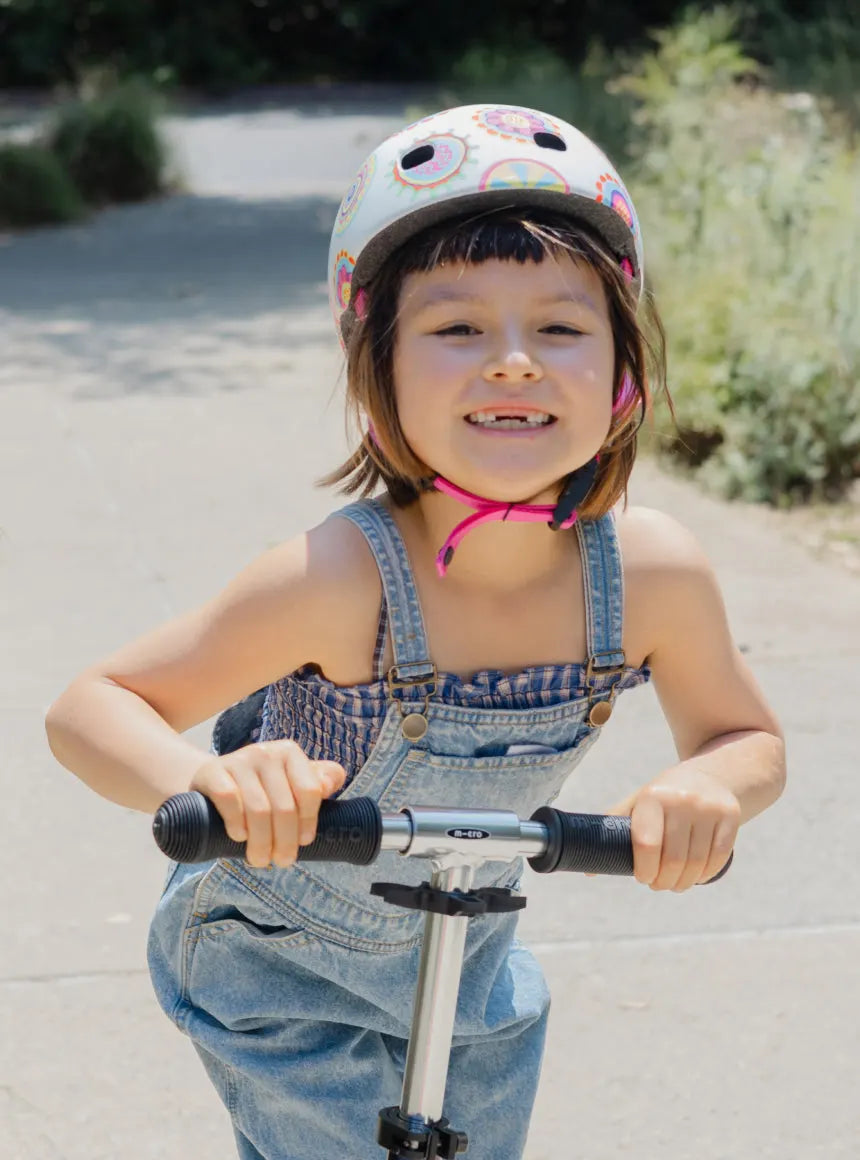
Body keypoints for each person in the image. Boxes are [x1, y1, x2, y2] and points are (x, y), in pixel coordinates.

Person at [45, 104, 785, 1160]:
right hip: (279, 966)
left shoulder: (648, 571)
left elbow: (741, 736)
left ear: (622, 377)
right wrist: (205, 778)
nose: (514, 361)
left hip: (468, 959)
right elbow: (90, 705)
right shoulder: (339, 578)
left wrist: (707, 789)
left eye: (561, 328)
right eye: (455, 329)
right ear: (376, 373)